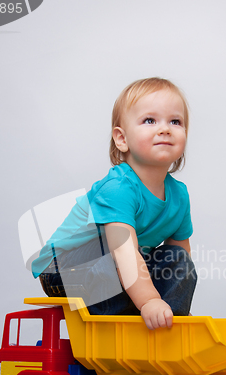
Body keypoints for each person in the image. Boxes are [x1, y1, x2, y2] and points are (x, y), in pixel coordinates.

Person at [32, 77, 197, 330]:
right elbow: (125, 255)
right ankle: (129, 319)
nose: (165, 129)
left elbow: (178, 258)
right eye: (149, 120)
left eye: (175, 121)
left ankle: (169, 329)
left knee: (177, 259)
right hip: (64, 268)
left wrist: (171, 303)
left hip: (117, 265)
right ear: (122, 139)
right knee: (118, 258)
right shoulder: (118, 188)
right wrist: (150, 299)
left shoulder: (180, 196)